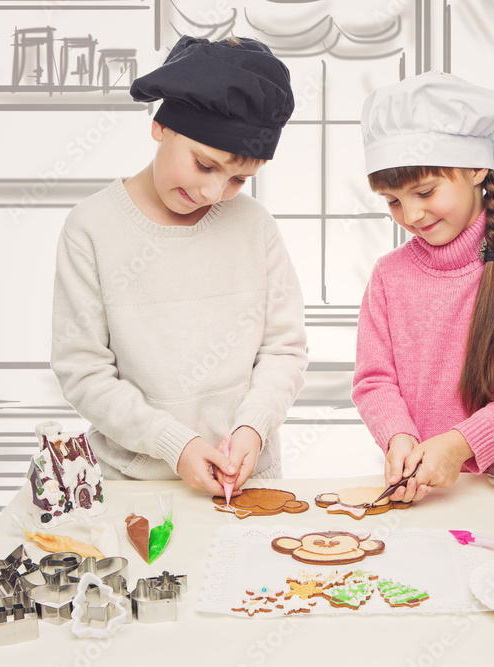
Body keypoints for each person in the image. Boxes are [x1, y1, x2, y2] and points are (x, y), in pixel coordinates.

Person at [51, 35, 308, 497]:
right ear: (161, 126)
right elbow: (83, 371)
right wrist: (175, 444)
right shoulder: (91, 228)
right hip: (134, 487)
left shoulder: (255, 227)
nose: (215, 192)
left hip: (247, 484)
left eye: (239, 179)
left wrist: (253, 427)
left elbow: (284, 349)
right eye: (204, 165)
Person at [352, 71, 494, 503]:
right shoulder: (388, 274)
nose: (411, 215)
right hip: (413, 489)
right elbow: (374, 379)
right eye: (393, 201)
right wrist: (398, 439)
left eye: (425, 191)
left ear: (474, 168)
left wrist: (461, 444)